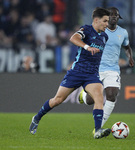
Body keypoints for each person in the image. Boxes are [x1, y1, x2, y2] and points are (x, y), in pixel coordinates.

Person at [29, 7, 111, 139]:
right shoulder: (86, 30)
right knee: (57, 100)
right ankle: (36, 118)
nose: (107, 24)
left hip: (92, 74)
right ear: (96, 20)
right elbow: (73, 38)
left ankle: (97, 131)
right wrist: (86, 46)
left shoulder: (105, 37)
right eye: (105, 21)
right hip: (77, 72)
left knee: (99, 98)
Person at [79, 7, 134, 131]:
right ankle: (83, 95)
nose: (114, 17)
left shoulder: (123, 32)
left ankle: (98, 127)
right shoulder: (99, 30)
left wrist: (130, 58)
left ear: (118, 18)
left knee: (111, 95)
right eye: (111, 14)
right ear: (106, 17)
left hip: (113, 69)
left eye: (116, 15)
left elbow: (127, 47)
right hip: (96, 68)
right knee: (89, 100)